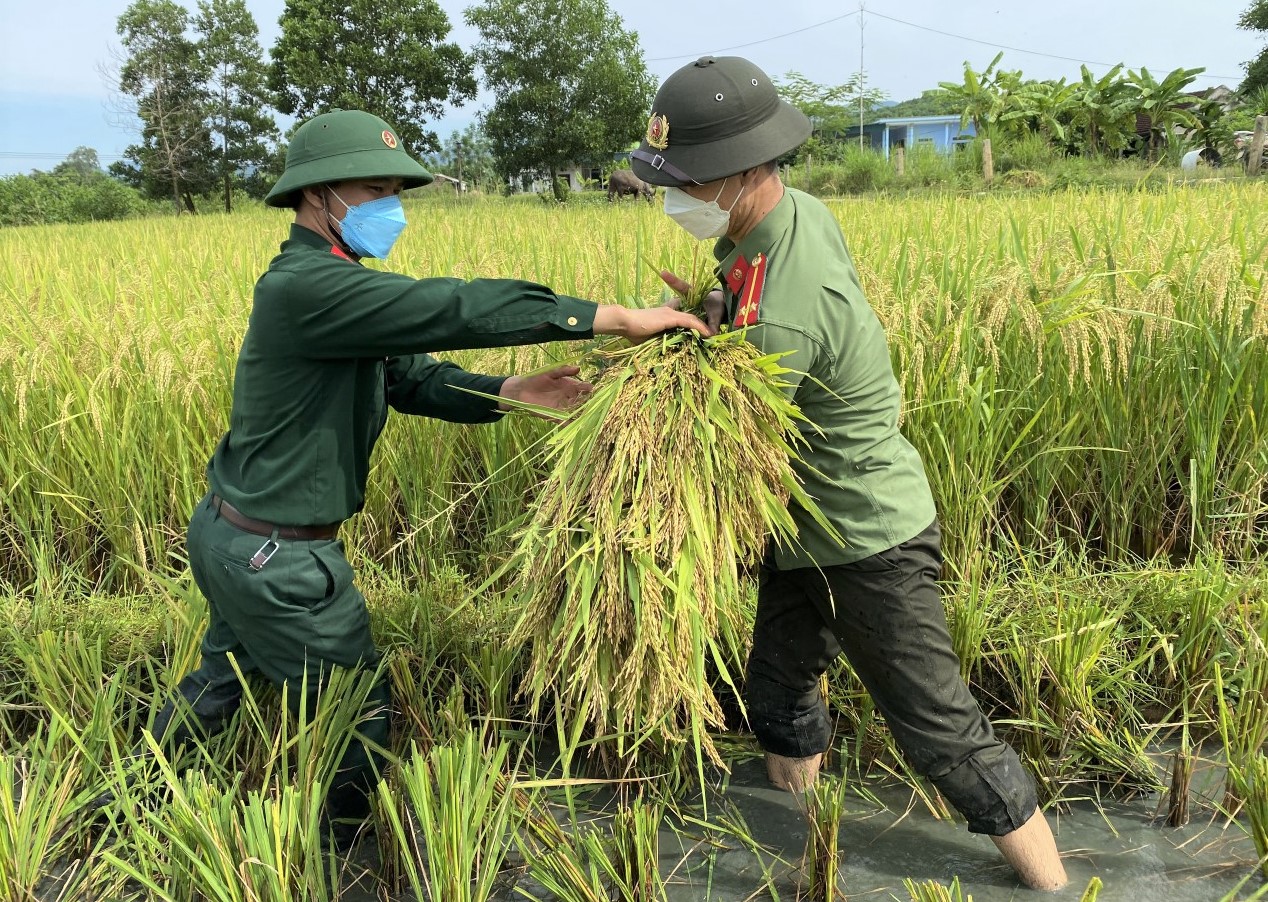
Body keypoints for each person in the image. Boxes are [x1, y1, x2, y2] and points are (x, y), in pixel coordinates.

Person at [99, 108, 708, 845]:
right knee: (359, 710)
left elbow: (409, 378)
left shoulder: (339, 288)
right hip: (280, 559)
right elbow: (452, 306)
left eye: (395, 192)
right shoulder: (308, 287)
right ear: (318, 196)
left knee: (220, 685)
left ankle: (117, 807)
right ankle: (340, 855)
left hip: (235, 537)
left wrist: (511, 392)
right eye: (373, 189)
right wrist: (612, 317)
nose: (389, 208)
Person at [636, 57, 1067, 891]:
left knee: (942, 731)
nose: (672, 196)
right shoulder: (783, 218)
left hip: (864, 536)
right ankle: (804, 833)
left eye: (683, 181)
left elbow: (729, 443)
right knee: (778, 691)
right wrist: (714, 307)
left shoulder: (785, 309)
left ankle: (1057, 886)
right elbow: (750, 326)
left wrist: (669, 369)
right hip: (804, 529)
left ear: (743, 172)